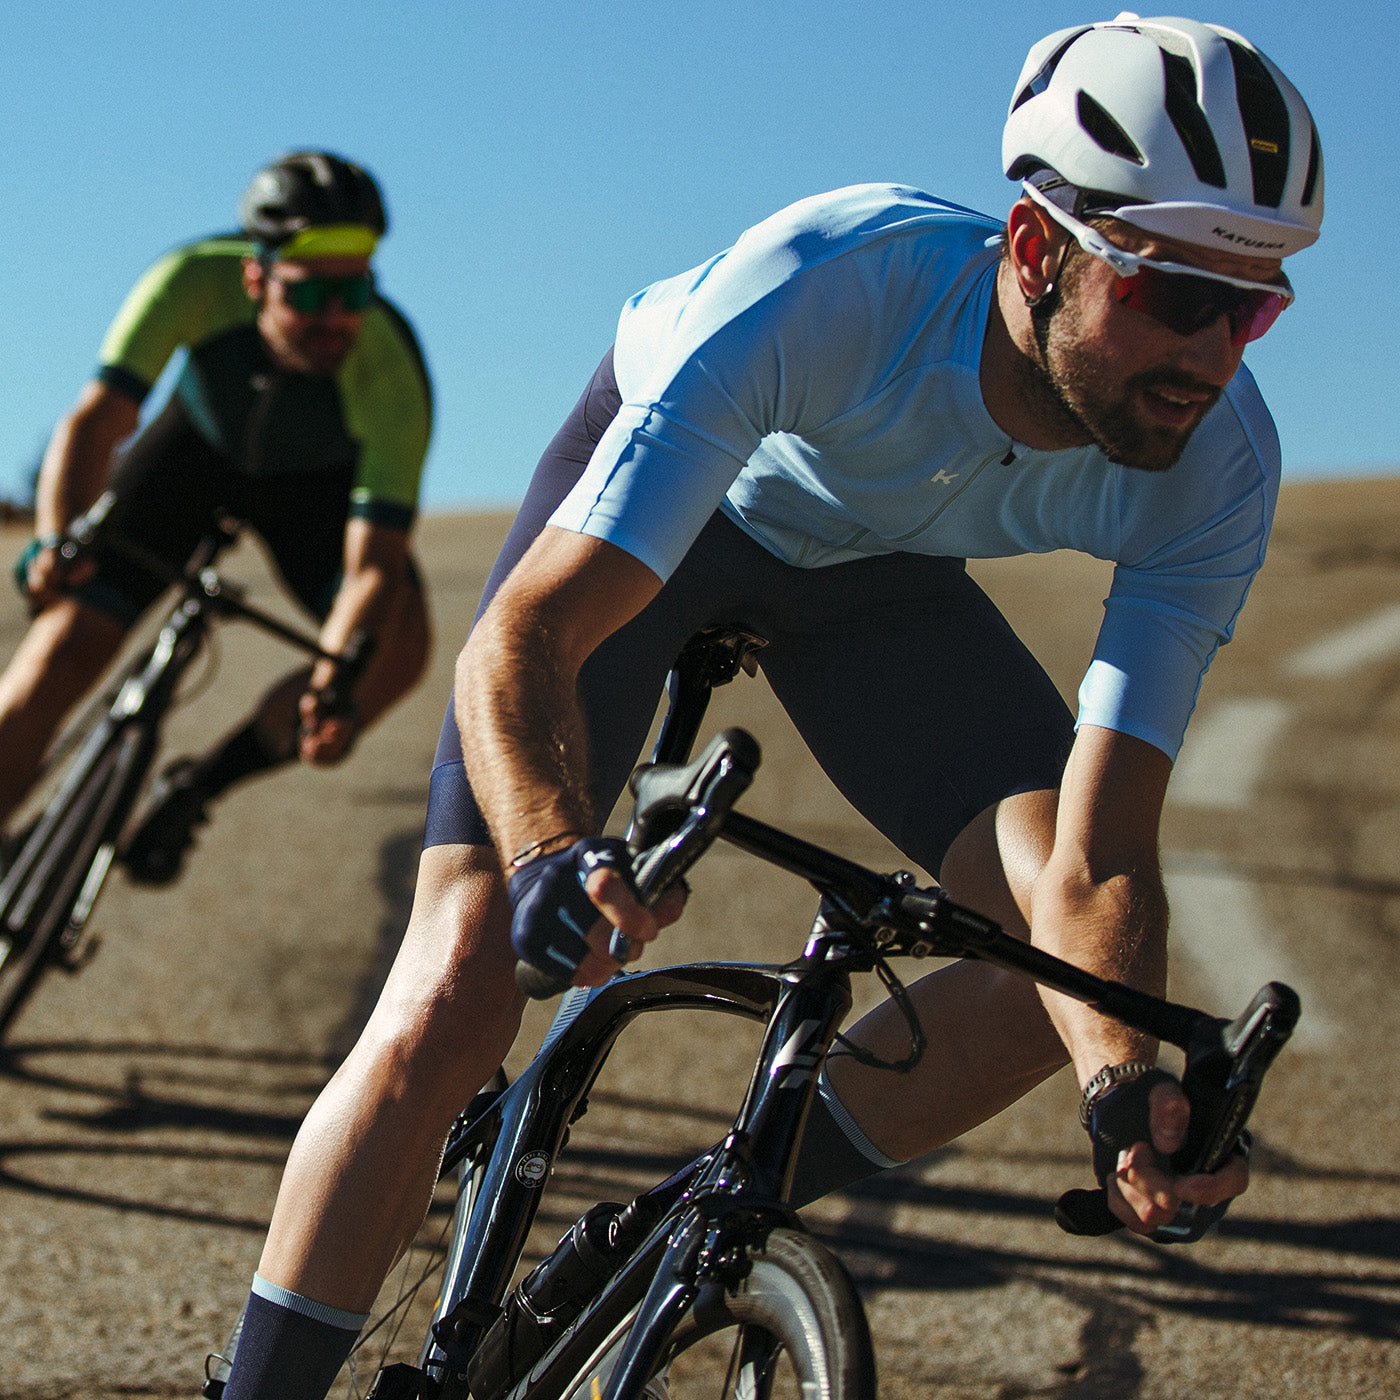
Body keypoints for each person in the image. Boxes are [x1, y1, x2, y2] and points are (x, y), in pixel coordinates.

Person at [210, 16, 1323, 1398]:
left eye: (1256, 305)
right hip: (671, 528)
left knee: (1070, 980)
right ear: (1037, 251)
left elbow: (1096, 861)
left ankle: (687, 1223)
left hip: (880, 581)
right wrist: (552, 850)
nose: (1215, 357)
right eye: (1175, 295)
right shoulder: (832, 282)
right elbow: (526, 638)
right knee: (457, 980)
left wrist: (1121, 1093)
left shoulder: (1219, 468)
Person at [0, 151, 432, 883]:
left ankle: (196, 789)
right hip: (189, 457)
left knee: (397, 650)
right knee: (60, 644)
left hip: (314, 494)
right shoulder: (191, 279)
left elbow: (372, 566)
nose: (335, 320)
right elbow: (98, 421)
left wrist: (334, 684)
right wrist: (56, 539)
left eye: (353, 294)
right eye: (307, 296)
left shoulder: (390, 368)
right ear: (255, 279)